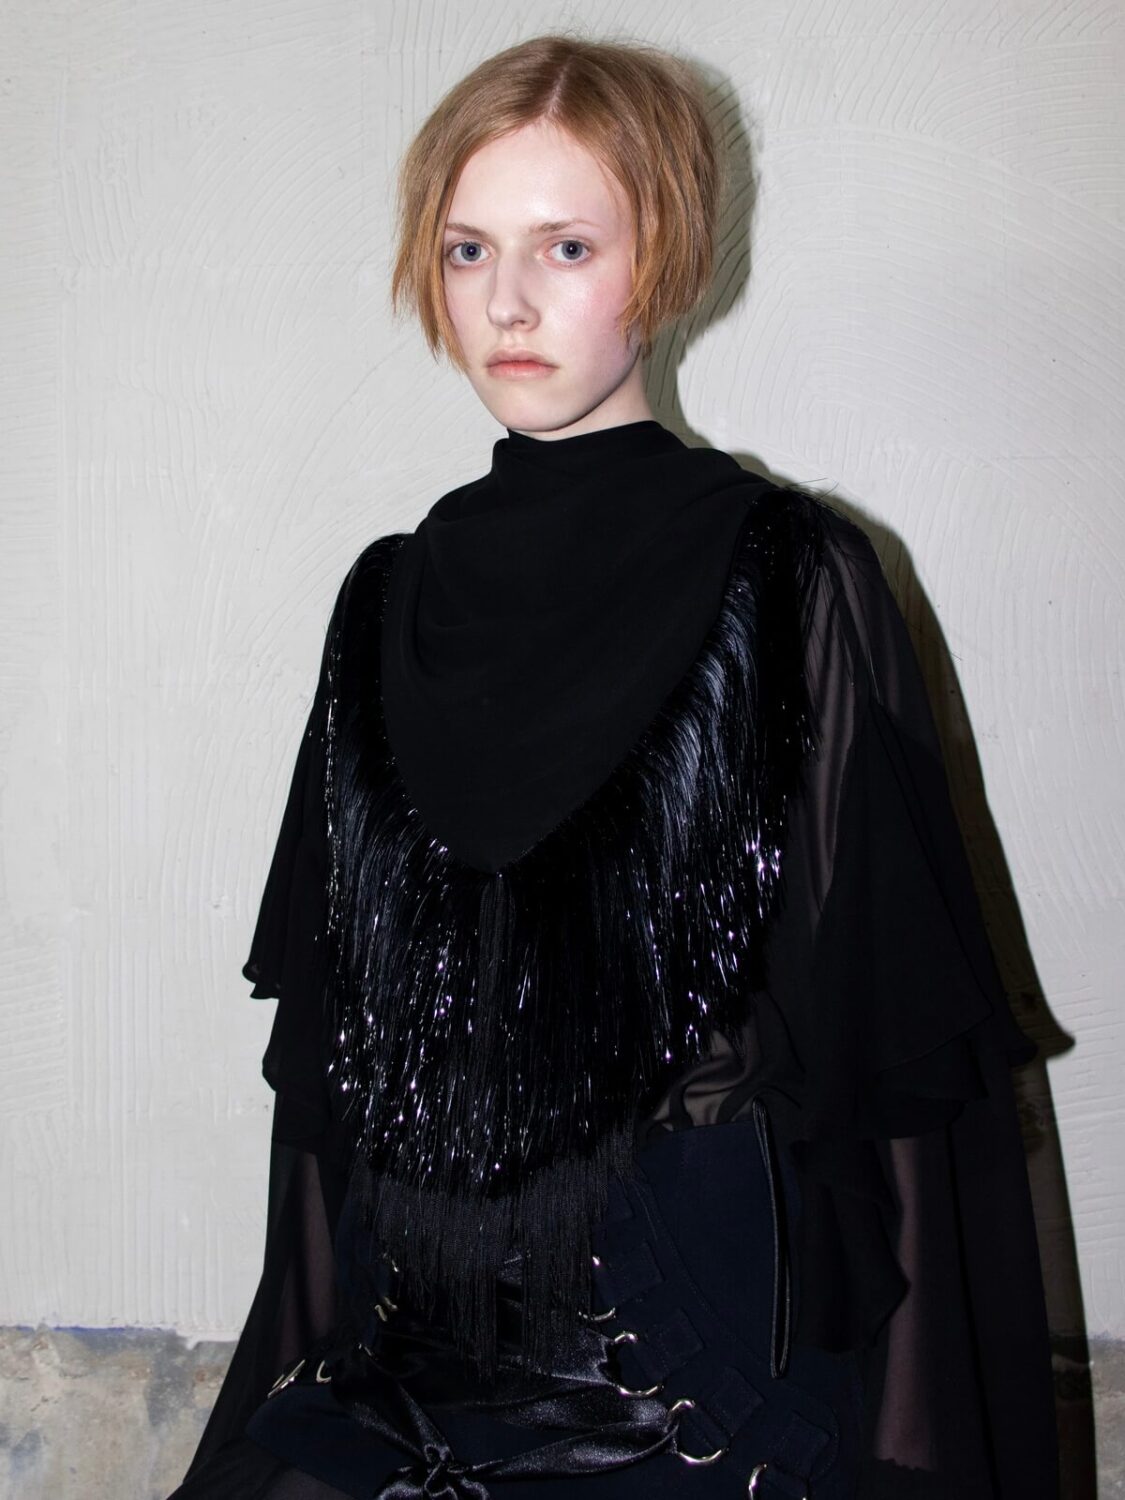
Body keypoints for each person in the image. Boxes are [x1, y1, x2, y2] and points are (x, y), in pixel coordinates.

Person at [169, 33, 1059, 1500]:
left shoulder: (792, 576)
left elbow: (889, 1074)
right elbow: (328, 1074)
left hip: (696, 1377)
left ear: (666, 258)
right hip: (405, 1364)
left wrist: (911, 1452)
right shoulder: (385, 600)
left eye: (566, 246)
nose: (506, 302)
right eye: (467, 249)